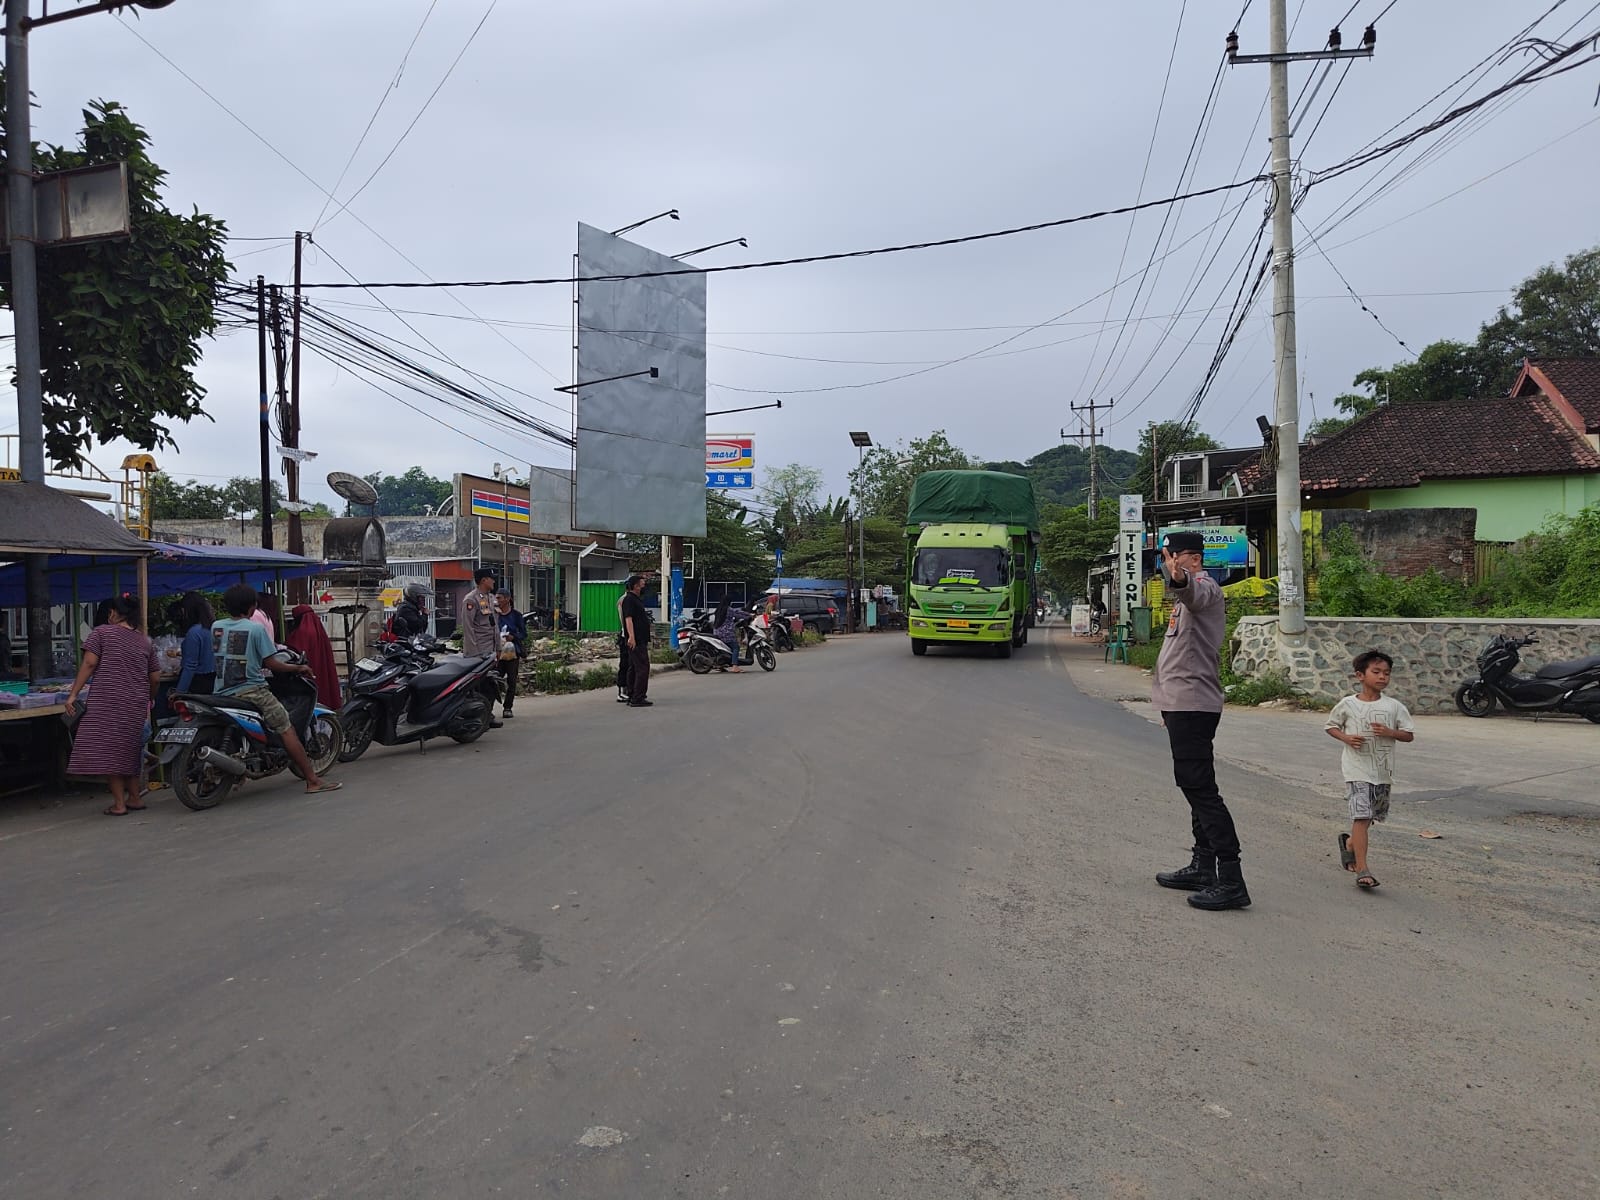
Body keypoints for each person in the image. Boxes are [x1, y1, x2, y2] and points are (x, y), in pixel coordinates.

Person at [1149, 531, 1250, 911]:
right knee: (1194, 786)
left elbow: (1192, 590)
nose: (1164, 567)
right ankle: (1203, 865)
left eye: (1167, 558)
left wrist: (1179, 578)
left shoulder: (1203, 587)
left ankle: (1232, 879)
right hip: (1183, 705)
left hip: (1193, 705)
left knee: (1200, 789)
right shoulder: (1186, 599)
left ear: (1185, 557)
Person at [212, 583, 340, 794]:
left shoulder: (216, 626)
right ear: (252, 607)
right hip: (251, 690)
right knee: (286, 728)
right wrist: (299, 667)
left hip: (221, 690)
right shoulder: (255, 628)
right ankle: (313, 781)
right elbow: (272, 664)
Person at [64, 595, 161, 816]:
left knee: (110, 752)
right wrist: (149, 698)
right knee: (130, 748)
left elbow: (89, 663)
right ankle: (135, 798)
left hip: (107, 701)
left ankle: (119, 804)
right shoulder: (145, 641)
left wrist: (73, 695)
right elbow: (155, 677)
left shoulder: (101, 633)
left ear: (114, 613)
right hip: (135, 703)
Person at [1326, 649, 1415, 891]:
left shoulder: (1394, 706)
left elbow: (1408, 735)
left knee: (1370, 817)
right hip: (1356, 769)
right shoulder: (1348, 704)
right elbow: (1331, 726)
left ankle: (1351, 844)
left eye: (1386, 673)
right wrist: (1346, 738)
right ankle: (1363, 869)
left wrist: (1390, 733)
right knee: (1362, 815)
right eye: (1376, 672)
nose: (1382, 677)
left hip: (1383, 771)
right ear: (1360, 675)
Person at [286, 604, 343, 712]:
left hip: (307, 673)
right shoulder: (319, 630)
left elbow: (293, 649)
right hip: (321, 669)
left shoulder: (302, 632)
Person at [173, 591, 216, 696]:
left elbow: (190, 666)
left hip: (198, 682)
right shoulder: (214, 627)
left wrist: (179, 692)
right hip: (214, 679)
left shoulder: (194, 632)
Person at [620, 573, 653, 708]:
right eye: (642, 584)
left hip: (640, 638)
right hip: (636, 640)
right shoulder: (629, 600)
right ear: (635, 586)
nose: (644, 586)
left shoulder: (635, 599)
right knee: (642, 668)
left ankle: (632, 694)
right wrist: (632, 637)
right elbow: (628, 619)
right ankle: (638, 697)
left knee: (634, 667)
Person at [494, 589, 526, 719]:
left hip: (513, 653)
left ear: (507, 599)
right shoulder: (494, 615)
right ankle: (488, 709)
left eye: (500, 598)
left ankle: (507, 707)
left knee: (511, 681)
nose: (497, 601)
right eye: (496, 598)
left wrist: (513, 637)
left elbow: (524, 634)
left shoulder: (516, 615)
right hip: (497, 653)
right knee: (494, 681)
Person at [458, 569, 499, 657]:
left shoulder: (492, 598)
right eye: (492, 578)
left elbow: (495, 624)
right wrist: (473, 652)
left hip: (492, 648)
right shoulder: (471, 599)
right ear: (483, 580)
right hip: (479, 650)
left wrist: (499, 647)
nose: (494, 581)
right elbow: (467, 626)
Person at [711, 597, 749, 672]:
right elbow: (738, 614)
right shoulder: (728, 609)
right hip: (726, 633)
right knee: (736, 647)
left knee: (723, 649)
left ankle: (720, 665)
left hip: (716, 632)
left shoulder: (718, 609)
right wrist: (750, 615)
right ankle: (735, 666)